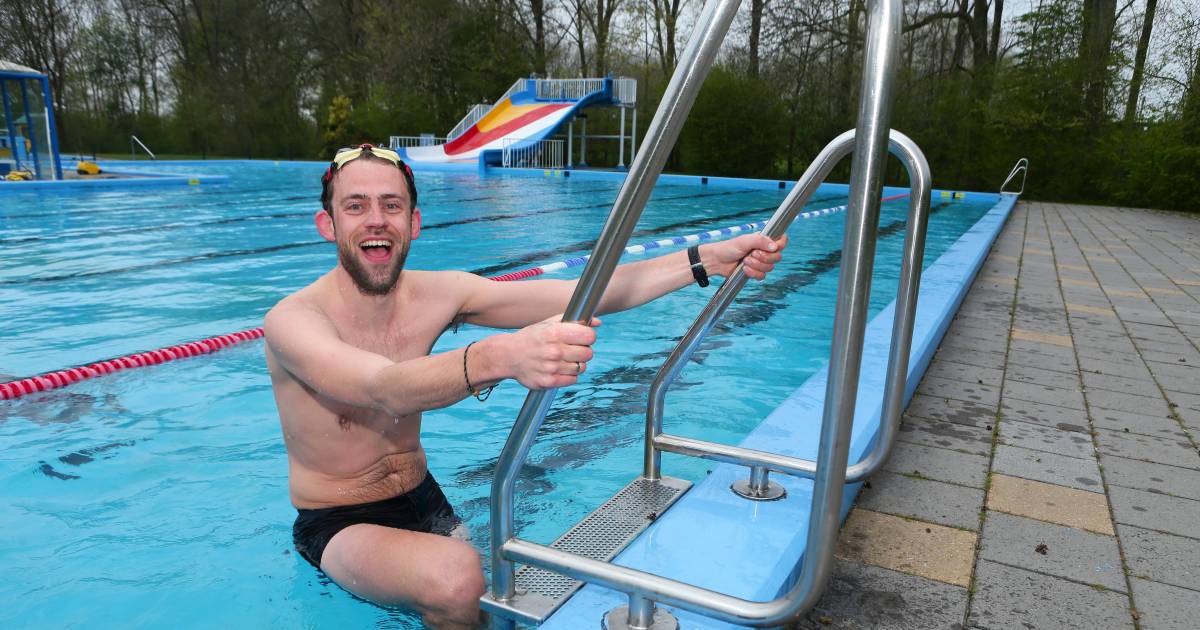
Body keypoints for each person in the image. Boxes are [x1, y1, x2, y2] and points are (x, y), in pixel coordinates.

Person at [264, 144, 787, 629]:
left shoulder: (439, 294)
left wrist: (703, 259)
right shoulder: (295, 321)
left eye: (391, 206)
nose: (376, 219)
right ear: (327, 224)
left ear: (414, 222)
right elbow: (383, 387)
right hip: (338, 522)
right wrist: (500, 355)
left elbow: (588, 293)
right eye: (355, 206)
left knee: (489, 599)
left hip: (425, 498)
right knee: (457, 581)